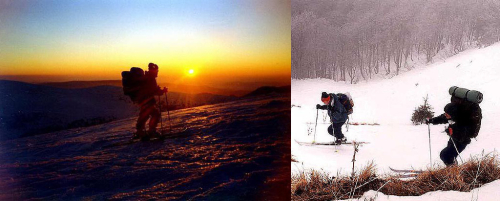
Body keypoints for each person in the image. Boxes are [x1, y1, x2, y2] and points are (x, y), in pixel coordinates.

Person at [427, 96, 482, 166]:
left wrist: (453, 132)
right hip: (453, 139)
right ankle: (453, 168)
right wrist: (432, 120)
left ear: (452, 114)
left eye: (447, 114)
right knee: (447, 156)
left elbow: (463, 135)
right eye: (445, 113)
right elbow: (443, 118)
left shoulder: (463, 120)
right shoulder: (453, 115)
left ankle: (454, 171)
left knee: (445, 155)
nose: (445, 115)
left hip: (461, 142)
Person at [134, 63, 166, 140]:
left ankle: (140, 132)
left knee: (144, 115)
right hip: (147, 100)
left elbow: (151, 89)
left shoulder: (146, 77)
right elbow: (154, 91)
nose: (157, 72)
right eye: (156, 70)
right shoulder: (150, 78)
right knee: (155, 114)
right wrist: (162, 91)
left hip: (142, 100)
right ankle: (151, 131)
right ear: (153, 70)